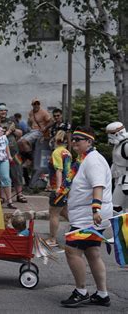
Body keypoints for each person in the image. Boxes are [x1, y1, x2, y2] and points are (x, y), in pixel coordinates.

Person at [60, 127, 112, 307]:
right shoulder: (86, 159)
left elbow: (98, 186)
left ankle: (81, 291)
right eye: (73, 139)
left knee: (72, 249)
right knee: (92, 252)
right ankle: (102, 294)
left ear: (89, 142)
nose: (74, 142)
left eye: (78, 139)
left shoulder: (93, 161)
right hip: (87, 214)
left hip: (89, 216)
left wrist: (96, 210)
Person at [0, 103, 27, 204]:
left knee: (18, 172)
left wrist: (14, 129)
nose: (4, 112)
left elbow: (20, 133)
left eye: (5, 110)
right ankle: (2, 197)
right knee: (2, 175)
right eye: (1, 110)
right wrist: (8, 131)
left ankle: (19, 194)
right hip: (0, 152)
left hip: (14, 151)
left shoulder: (11, 121)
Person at [46, 130, 71, 247]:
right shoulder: (67, 152)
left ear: (56, 140)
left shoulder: (56, 152)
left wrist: (58, 187)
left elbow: (59, 170)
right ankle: (82, 228)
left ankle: (52, 239)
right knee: (64, 211)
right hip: (67, 185)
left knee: (54, 212)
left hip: (60, 186)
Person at [105, 121, 128, 215]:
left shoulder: (126, 145)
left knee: (115, 207)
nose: (109, 136)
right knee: (122, 208)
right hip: (119, 179)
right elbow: (115, 163)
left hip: (124, 181)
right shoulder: (118, 145)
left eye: (111, 133)